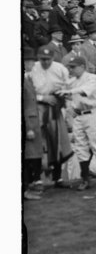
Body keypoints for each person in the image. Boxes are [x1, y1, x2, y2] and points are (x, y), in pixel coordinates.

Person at [55, 56, 96, 190]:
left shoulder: (92, 78)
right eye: (70, 67)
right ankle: (85, 180)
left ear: (82, 66)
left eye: (74, 67)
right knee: (81, 148)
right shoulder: (72, 81)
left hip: (93, 114)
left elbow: (84, 91)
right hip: (79, 116)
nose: (71, 69)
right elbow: (69, 94)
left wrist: (69, 91)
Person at [29, 45, 72, 188]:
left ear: (53, 58)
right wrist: (42, 97)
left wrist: (61, 96)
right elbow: (27, 92)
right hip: (37, 107)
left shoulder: (60, 68)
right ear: (38, 58)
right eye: (42, 59)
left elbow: (69, 87)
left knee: (57, 141)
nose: (45, 62)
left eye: (48, 59)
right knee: (37, 143)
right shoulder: (33, 68)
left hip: (55, 106)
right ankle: (36, 178)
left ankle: (57, 177)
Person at [23, 47, 44, 200]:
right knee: (28, 156)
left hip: (34, 120)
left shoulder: (29, 79)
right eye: (28, 61)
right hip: (28, 122)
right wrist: (28, 128)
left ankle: (31, 184)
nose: (31, 64)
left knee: (34, 154)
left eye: (31, 61)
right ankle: (27, 188)